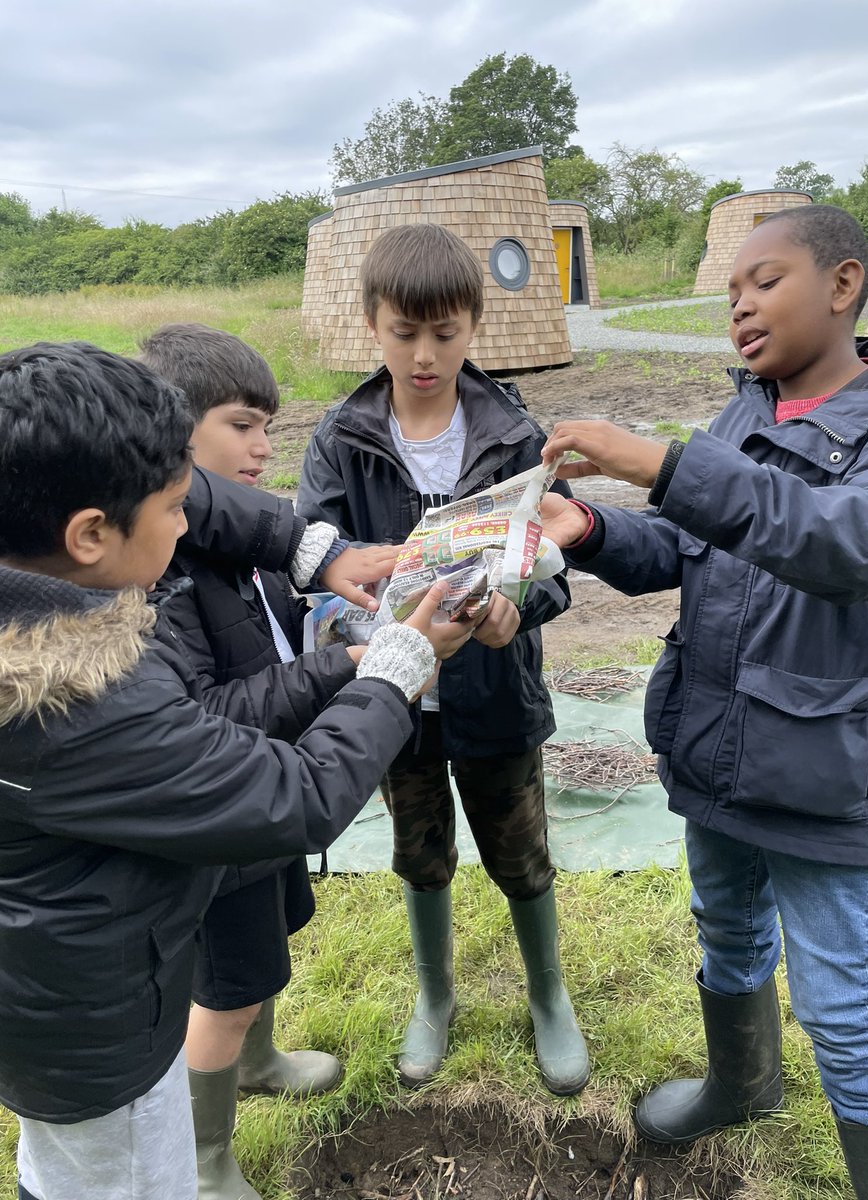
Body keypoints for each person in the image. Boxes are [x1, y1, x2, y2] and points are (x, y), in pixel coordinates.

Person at [0, 341, 469, 1200]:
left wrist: (315, 562)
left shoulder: (40, 576)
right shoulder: (72, 709)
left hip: (60, 990)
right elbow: (295, 797)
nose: (191, 524)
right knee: (125, 1178)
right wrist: (395, 664)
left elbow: (219, 503)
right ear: (91, 534)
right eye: (174, 507)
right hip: (98, 1037)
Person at [538, 204, 868, 1198]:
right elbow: (688, 548)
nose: (739, 304)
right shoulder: (743, 412)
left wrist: (655, 459)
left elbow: (853, 545)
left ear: (843, 284)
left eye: (765, 281)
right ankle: (742, 1086)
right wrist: (594, 529)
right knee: (726, 925)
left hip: (821, 766)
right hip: (715, 739)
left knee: (843, 994)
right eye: (732, 290)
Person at [296, 222, 590, 1096]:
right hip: (397, 699)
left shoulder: (513, 433)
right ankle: (434, 996)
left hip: (498, 691)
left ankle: (549, 996)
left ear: (473, 326)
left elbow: (557, 561)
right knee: (420, 853)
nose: (425, 355)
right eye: (404, 333)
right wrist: (368, 623)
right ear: (372, 324)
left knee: (520, 851)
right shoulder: (341, 438)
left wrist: (516, 613)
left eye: (445, 333)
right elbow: (317, 565)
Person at [139, 321, 400, 1200]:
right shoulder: (165, 568)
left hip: (266, 790)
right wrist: (345, 666)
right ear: (175, 436)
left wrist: (326, 624)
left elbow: (267, 643)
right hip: (224, 814)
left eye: (267, 428)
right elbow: (200, 716)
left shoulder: (238, 538)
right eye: (242, 426)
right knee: (228, 985)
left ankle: (258, 1062)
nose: (262, 449)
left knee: (265, 954)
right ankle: (207, 1161)